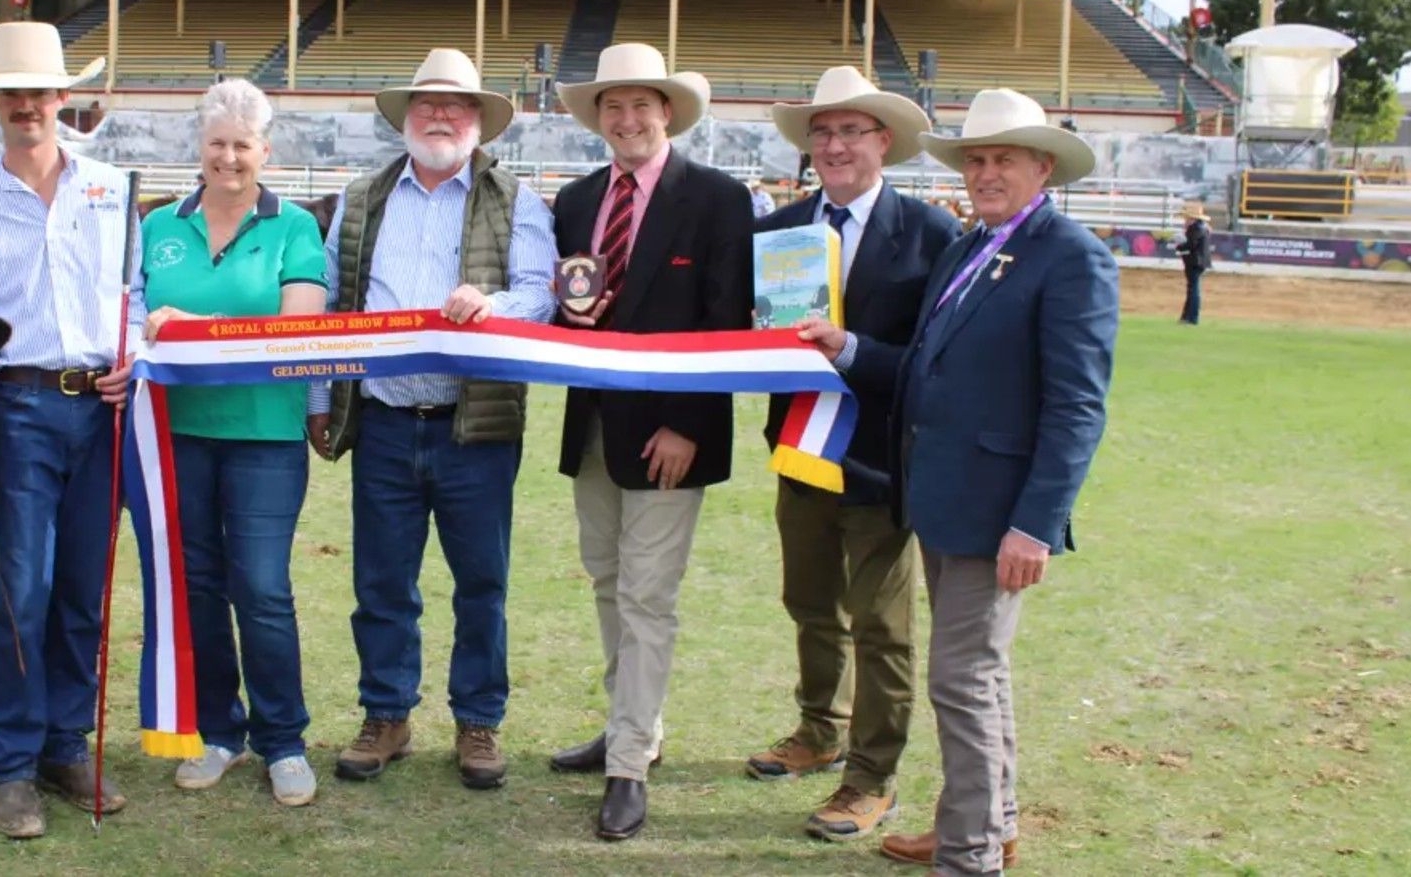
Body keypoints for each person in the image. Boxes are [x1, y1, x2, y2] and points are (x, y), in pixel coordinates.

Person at [306, 49, 558, 792]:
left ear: (478, 120)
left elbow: (541, 294)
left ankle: (477, 720)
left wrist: (492, 305)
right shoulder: (361, 198)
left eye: (455, 106)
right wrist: (319, 399)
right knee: (382, 581)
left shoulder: (516, 200)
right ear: (405, 117)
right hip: (384, 420)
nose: (440, 116)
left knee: (481, 582)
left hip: (473, 425)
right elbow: (331, 304)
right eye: (427, 104)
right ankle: (386, 713)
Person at [880, 89, 1119, 874]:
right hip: (943, 497)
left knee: (961, 679)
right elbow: (927, 365)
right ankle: (985, 822)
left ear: (1041, 167)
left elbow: (1076, 406)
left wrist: (1034, 523)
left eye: (1002, 159)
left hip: (997, 513)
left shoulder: (1071, 256)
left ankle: (970, 852)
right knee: (976, 675)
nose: (984, 172)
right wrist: (847, 348)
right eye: (975, 158)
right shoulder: (968, 246)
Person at [750, 67, 962, 842]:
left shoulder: (932, 233)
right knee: (808, 602)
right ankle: (818, 729)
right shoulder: (778, 230)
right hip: (800, 449)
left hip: (881, 461)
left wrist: (850, 350)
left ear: (884, 141)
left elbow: (936, 362)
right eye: (822, 132)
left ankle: (872, 776)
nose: (834, 145)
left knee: (879, 623)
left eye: (850, 131)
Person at [547, 43, 751, 841]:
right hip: (594, 423)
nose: (626, 118)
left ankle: (628, 762)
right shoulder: (575, 200)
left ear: (667, 112)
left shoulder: (718, 198)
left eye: (640, 104)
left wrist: (689, 423)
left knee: (646, 595)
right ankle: (630, 723)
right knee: (607, 580)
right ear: (597, 117)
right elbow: (568, 305)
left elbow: (725, 319)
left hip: (672, 431)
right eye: (613, 105)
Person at [0, 22, 134, 839]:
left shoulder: (111, 189)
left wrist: (135, 354)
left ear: (62, 97)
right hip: (18, 408)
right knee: (21, 589)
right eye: (9, 93)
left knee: (83, 586)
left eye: (38, 91)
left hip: (104, 406)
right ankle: (9, 762)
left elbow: (132, 293)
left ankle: (63, 742)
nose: (26, 105)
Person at [138, 79, 329, 807]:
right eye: (217, 143)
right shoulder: (158, 225)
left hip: (264, 436)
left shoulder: (294, 228)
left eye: (242, 145)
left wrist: (190, 327)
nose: (228, 157)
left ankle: (284, 739)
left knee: (262, 586)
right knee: (197, 586)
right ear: (200, 147)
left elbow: (296, 331)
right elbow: (129, 319)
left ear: (264, 151)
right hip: (175, 434)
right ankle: (220, 730)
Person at [1174, 201, 1211, 324]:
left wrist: (1179, 245)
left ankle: (1191, 317)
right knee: (1192, 288)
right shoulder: (1201, 227)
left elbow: (1191, 244)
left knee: (1193, 289)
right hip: (1198, 261)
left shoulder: (1196, 228)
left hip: (1195, 262)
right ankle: (1187, 316)